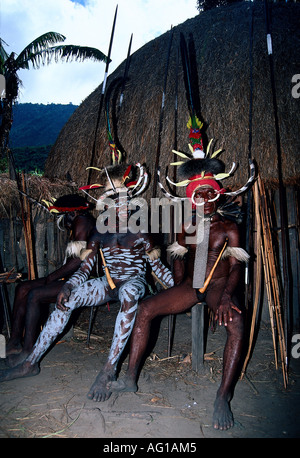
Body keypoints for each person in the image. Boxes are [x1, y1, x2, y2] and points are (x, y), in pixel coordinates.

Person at [108, 116, 255, 431]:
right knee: (145, 308)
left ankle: (223, 397)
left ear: (217, 194)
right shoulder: (184, 226)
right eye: (197, 195)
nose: (202, 200)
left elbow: (237, 265)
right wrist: (175, 289)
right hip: (191, 286)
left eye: (207, 194)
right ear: (191, 197)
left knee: (237, 323)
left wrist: (228, 297)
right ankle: (130, 379)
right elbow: (177, 259)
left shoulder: (229, 228)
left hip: (216, 286)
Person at [0, 164, 174, 404]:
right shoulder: (99, 233)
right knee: (68, 298)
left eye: (123, 200)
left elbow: (157, 268)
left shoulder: (141, 232)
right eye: (113, 201)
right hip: (107, 283)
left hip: (133, 282)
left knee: (131, 292)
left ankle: (108, 370)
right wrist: (68, 286)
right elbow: (84, 269)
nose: (119, 206)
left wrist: (177, 290)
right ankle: (30, 363)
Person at [6, 194, 95, 367]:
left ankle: (28, 350)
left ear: (74, 212)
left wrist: (51, 277)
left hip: (81, 280)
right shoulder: (80, 221)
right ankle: (14, 343)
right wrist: (52, 278)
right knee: (22, 288)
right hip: (70, 277)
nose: (64, 220)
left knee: (34, 294)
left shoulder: (82, 221)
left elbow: (78, 261)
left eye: (64, 215)